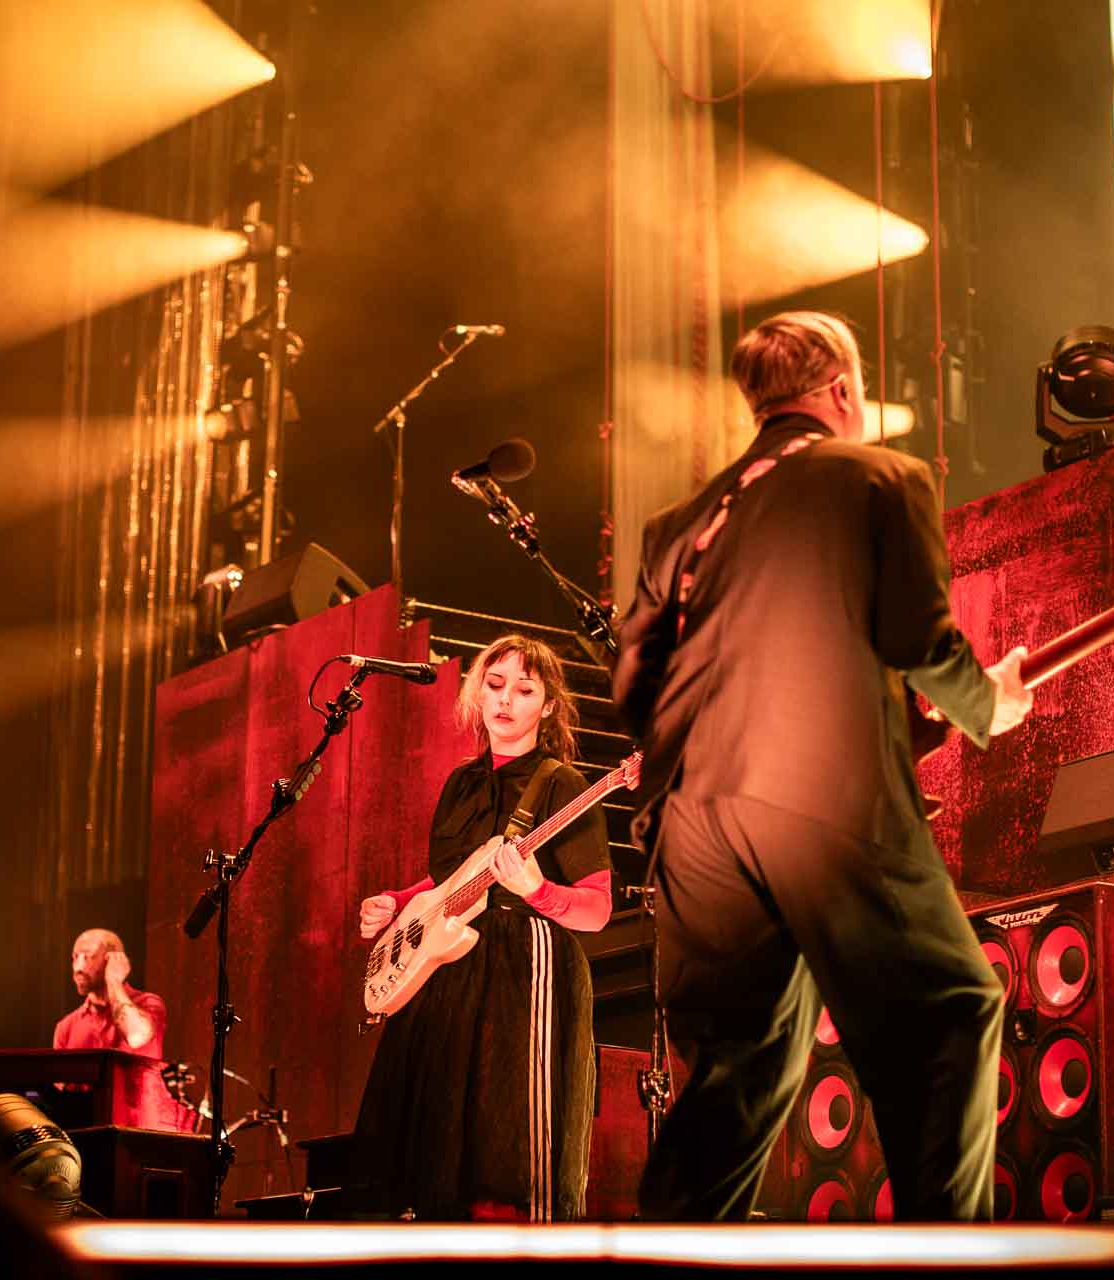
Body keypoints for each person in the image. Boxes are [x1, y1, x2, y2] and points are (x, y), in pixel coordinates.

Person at [612, 310, 1034, 1221]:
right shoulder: (880, 476)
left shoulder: (674, 524)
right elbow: (917, 639)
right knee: (948, 1016)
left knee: (735, 1070)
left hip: (692, 826)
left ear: (756, 401)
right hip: (817, 795)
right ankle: (946, 1269)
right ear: (842, 390)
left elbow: (634, 691)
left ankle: (661, 1272)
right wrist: (985, 702)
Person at [352, 634, 613, 1221]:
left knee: (507, 1150)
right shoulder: (460, 784)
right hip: (447, 964)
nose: (505, 700)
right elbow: (450, 879)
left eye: (524, 690)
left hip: (526, 969)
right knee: (431, 1147)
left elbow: (597, 910)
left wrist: (537, 890)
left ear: (548, 706)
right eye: (494, 685)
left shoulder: (561, 784)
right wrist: (396, 903)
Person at [53, 929, 185, 1130]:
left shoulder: (148, 1004)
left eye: (88, 957)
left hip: (138, 1133)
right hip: (87, 1135)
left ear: (112, 960)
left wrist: (114, 981)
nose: (78, 967)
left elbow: (135, 1035)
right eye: (75, 957)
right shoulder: (67, 1026)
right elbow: (60, 1096)